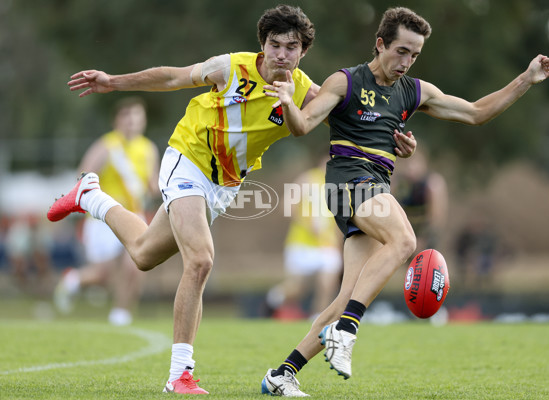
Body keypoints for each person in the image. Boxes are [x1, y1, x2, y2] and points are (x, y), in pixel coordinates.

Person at [46, 5, 417, 395]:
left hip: (225, 184)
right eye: (275, 45)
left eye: (291, 47)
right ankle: (180, 374)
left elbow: (356, 122)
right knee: (202, 260)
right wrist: (113, 82)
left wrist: (397, 144)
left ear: (302, 52)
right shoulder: (231, 67)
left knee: (142, 254)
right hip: (187, 160)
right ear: (263, 44)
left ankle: (90, 196)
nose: (281, 55)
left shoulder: (307, 91)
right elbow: (173, 77)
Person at [260, 6, 549, 397]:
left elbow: (476, 113)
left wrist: (526, 78)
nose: (407, 61)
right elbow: (301, 127)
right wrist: (287, 101)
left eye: (415, 54)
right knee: (404, 241)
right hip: (347, 181)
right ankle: (348, 329)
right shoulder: (344, 82)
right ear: (380, 44)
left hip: (375, 187)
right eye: (401, 51)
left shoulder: (413, 91)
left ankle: (283, 373)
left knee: (346, 295)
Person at [53, 96, 160, 326]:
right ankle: (74, 280)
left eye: (136, 116)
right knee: (102, 275)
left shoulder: (148, 149)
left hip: (134, 215)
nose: (131, 121)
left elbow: (151, 183)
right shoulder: (106, 146)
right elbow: (83, 175)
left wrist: (155, 190)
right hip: (104, 218)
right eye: (126, 116)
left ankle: (121, 314)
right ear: (117, 120)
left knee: (138, 264)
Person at [266, 156, 343, 320]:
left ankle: (317, 317)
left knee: (328, 280)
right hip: (302, 243)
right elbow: (286, 206)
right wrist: (308, 224)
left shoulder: (339, 185)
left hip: (326, 244)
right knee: (297, 288)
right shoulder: (308, 179)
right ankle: (273, 299)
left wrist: (338, 242)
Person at [391, 148, 447, 252]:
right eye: (408, 163)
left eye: (416, 162)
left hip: (424, 232)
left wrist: (424, 239)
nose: (411, 167)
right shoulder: (398, 182)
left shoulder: (432, 183)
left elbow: (436, 217)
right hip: (403, 231)